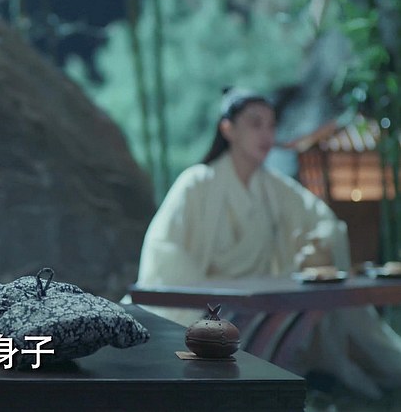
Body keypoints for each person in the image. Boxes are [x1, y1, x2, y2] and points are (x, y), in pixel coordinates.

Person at [136, 87, 401, 400]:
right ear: (227, 129)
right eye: (255, 124)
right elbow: (164, 248)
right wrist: (206, 294)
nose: (266, 134)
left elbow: (325, 223)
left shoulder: (274, 188)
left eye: (271, 125)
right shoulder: (196, 183)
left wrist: (316, 246)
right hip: (204, 309)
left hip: (257, 307)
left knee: (297, 322)